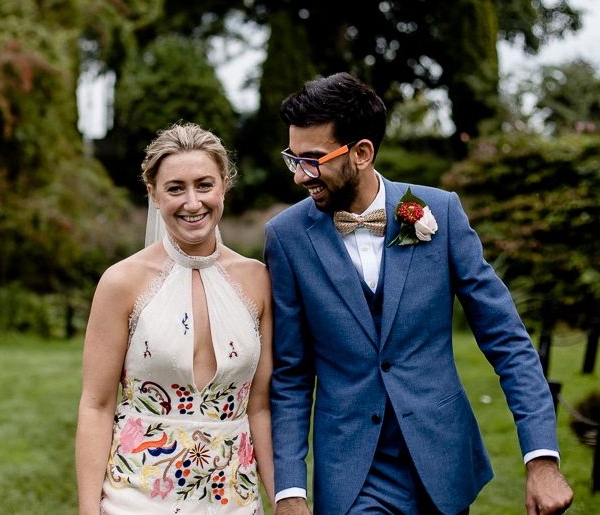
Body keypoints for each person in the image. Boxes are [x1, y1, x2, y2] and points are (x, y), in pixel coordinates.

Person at [264, 73, 574, 515]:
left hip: (441, 459)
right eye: (293, 159)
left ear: (362, 153)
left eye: (312, 160)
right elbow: (292, 375)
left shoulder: (439, 213)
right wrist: (290, 491)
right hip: (353, 472)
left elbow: (507, 340)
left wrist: (541, 458)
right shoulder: (286, 237)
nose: (299, 176)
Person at [76, 123, 274, 514]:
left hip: (232, 499)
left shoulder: (258, 280)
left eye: (204, 185)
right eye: (175, 188)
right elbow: (96, 405)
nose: (192, 202)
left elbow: (261, 406)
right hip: (136, 498)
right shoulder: (121, 283)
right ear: (153, 194)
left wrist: (284, 500)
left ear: (224, 185)